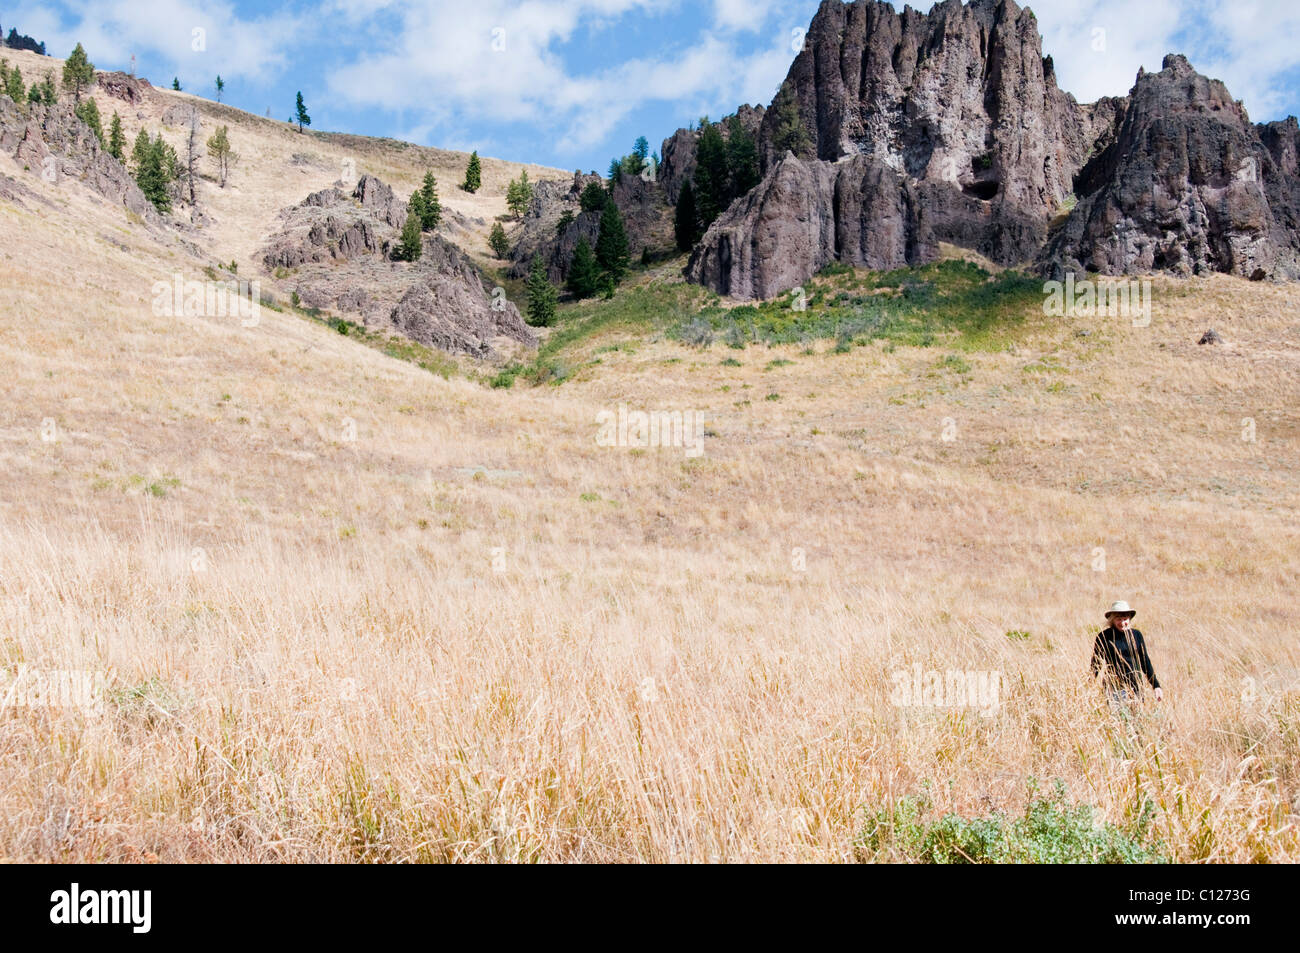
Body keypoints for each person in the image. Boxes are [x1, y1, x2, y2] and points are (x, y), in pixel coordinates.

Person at [1091, 601, 1163, 706]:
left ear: (1129, 618)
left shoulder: (1136, 635)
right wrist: (1088, 684)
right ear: (1112, 620)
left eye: (1125, 619)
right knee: (1117, 718)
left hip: (1135, 686)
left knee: (1136, 720)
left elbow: (1145, 662)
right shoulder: (1103, 637)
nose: (1122, 622)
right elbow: (1096, 664)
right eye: (1118, 619)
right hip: (1114, 687)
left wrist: (1156, 686)